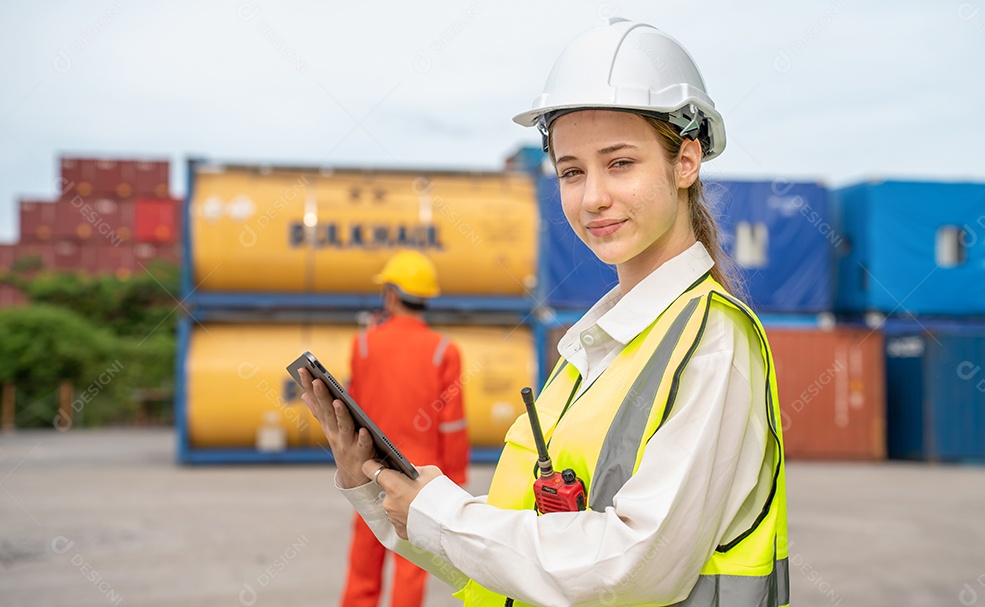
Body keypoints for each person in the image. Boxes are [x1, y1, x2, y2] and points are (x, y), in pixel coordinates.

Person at [300, 19, 789, 607]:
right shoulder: (595, 352)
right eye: (572, 171)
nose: (592, 198)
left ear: (686, 162)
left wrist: (444, 514)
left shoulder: (712, 344)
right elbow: (517, 565)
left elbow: (634, 567)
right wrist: (378, 490)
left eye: (621, 163)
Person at [338, 250, 469, 607]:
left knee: (363, 563)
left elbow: (351, 413)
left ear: (392, 295)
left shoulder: (364, 344)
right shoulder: (444, 351)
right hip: (419, 478)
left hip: (371, 471)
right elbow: (453, 424)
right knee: (411, 566)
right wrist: (454, 480)